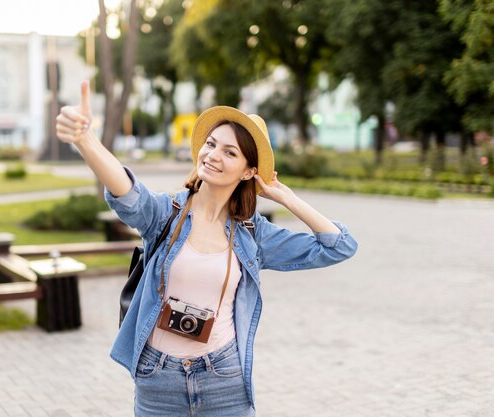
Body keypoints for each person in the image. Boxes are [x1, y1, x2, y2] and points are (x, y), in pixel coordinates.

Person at [56, 81, 358, 417]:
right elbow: (128, 192)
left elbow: (339, 246)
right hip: (158, 379)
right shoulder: (165, 214)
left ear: (249, 171)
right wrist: (86, 141)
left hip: (224, 378)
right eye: (211, 144)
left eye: (230, 152)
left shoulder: (252, 234)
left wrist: (286, 197)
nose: (213, 155)